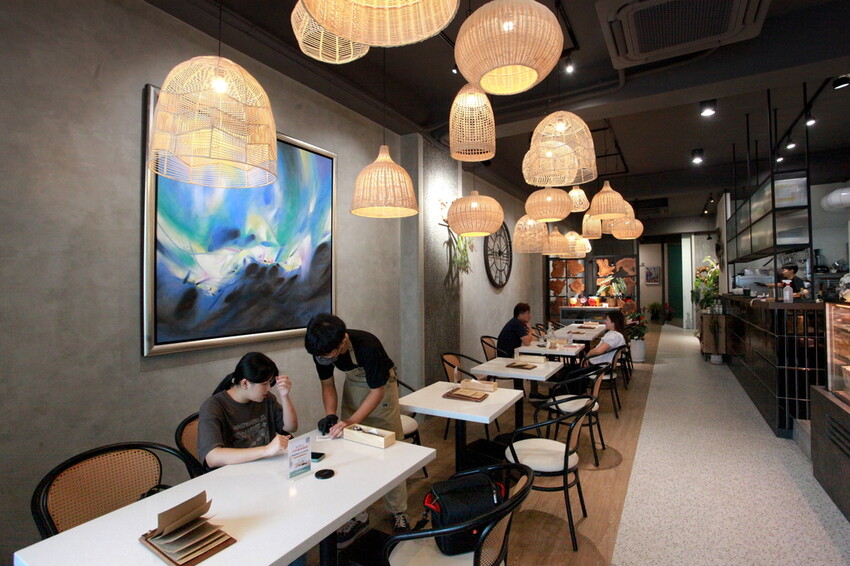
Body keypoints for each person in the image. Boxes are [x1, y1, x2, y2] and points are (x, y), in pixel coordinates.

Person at [304, 313, 410, 544]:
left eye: (330, 355)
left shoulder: (367, 345)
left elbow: (377, 391)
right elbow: (327, 384)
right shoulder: (321, 349)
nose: (325, 359)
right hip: (354, 386)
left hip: (381, 390)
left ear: (343, 340)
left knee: (389, 450)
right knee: (351, 451)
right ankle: (358, 514)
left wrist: (351, 421)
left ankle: (398, 511)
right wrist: (331, 415)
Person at [197, 352, 298, 470]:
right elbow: (212, 457)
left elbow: (291, 427)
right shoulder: (213, 406)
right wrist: (266, 450)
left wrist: (285, 396)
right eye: (264, 384)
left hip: (266, 467)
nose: (269, 388)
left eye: (270, 383)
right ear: (245, 383)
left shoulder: (266, 398)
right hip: (235, 473)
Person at [497, 303, 544, 398]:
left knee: (534, 358)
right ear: (520, 315)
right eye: (527, 313)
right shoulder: (517, 324)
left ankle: (530, 392)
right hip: (507, 357)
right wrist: (529, 329)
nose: (530, 316)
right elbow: (527, 342)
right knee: (534, 361)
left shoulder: (516, 322)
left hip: (509, 353)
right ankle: (532, 394)